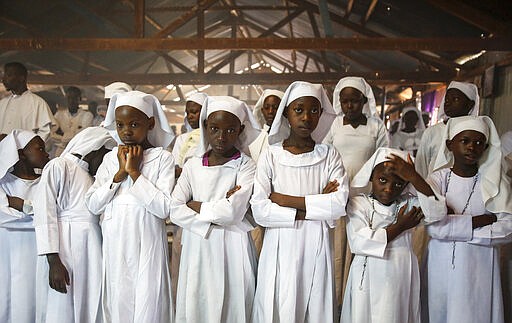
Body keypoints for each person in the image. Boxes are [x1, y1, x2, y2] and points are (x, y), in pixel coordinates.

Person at [251, 81, 349, 323]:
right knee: (278, 300)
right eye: (299, 110)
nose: (307, 117)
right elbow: (260, 209)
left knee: (313, 304)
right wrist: (315, 205)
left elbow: (338, 204)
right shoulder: (272, 155)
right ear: (286, 112)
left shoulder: (328, 155)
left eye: (314, 111)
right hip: (279, 244)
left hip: (315, 242)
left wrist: (284, 200)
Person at [85, 91, 175, 323]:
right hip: (115, 243)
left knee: (148, 299)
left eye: (134, 124)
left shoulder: (162, 158)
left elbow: (164, 208)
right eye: (121, 125)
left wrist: (135, 173)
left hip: (148, 242)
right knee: (118, 299)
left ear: (151, 123)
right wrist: (119, 174)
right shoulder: (109, 159)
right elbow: (93, 204)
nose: (126, 131)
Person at [170, 96, 260, 323]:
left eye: (230, 130)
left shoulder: (246, 165)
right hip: (197, 245)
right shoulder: (192, 165)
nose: (221, 137)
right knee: (197, 301)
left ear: (240, 129)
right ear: (205, 128)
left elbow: (233, 213)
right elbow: (174, 209)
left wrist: (196, 205)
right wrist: (219, 209)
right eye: (214, 129)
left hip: (233, 246)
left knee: (234, 303)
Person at [421, 116, 512, 323]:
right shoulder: (437, 180)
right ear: (449, 144)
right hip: (440, 263)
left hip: (479, 265)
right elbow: (434, 228)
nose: (472, 147)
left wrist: (455, 226)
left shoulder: (495, 182)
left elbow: (507, 229)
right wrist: (482, 220)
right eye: (465, 141)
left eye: (479, 143)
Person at [340, 148, 444, 323]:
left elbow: (437, 213)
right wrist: (400, 226)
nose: (388, 189)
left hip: (400, 270)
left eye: (398, 184)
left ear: (405, 185)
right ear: (372, 175)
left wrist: (415, 178)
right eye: (383, 180)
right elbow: (359, 242)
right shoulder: (359, 203)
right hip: (368, 271)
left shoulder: (409, 202)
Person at [34, 127, 116, 323]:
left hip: (91, 250)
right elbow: (44, 212)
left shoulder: (92, 178)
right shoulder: (59, 165)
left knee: (89, 301)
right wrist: (53, 260)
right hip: (64, 250)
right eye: (105, 155)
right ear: (95, 149)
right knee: (62, 306)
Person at [323, 76, 389, 307]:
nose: (349, 106)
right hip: (338, 192)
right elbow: (324, 155)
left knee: (360, 245)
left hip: (365, 196)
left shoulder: (376, 126)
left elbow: (384, 159)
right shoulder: (333, 125)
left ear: (364, 101)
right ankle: (335, 298)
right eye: (344, 101)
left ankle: (357, 300)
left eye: (354, 101)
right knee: (337, 246)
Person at [0, 129, 50, 323]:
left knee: (34, 293)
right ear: (21, 153)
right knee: (11, 293)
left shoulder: (47, 181)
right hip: (8, 249)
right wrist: (36, 212)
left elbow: (51, 212)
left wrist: (20, 204)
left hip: (39, 248)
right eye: (40, 148)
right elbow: (4, 217)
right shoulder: (4, 182)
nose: (46, 154)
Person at [415, 81, 479, 178]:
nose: (448, 103)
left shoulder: (477, 134)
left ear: (470, 104)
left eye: (455, 99)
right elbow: (421, 166)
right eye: (447, 99)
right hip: (433, 189)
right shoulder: (432, 132)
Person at [0, 62, 54, 141]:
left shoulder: (38, 103)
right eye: (4, 76)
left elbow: (45, 133)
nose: (3, 79)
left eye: (8, 75)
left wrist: (28, 150)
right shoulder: (2, 103)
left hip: (25, 152)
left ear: (21, 78)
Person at [171, 92, 208, 177]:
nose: (190, 116)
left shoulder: (211, 138)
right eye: (187, 113)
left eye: (194, 112)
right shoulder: (182, 139)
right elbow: (175, 165)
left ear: (205, 112)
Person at [52, 87, 94, 157]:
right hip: (60, 153)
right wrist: (75, 134)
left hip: (78, 153)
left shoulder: (87, 116)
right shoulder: (59, 115)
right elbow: (52, 135)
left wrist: (62, 136)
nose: (71, 101)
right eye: (69, 98)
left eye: (74, 98)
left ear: (79, 99)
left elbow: (84, 136)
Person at [249, 89, 284, 162]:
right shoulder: (255, 137)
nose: (270, 112)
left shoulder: (288, 136)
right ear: (262, 110)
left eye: (275, 108)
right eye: (267, 108)